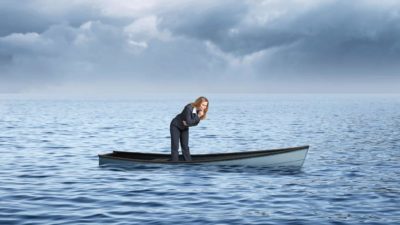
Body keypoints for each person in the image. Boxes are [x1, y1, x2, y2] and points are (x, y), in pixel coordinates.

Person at [170, 96, 209, 161]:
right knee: (175, 146)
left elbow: (194, 123)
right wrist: (197, 117)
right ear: (198, 103)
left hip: (185, 127)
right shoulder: (188, 108)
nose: (204, 107)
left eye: (205, 106)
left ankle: (188, 162)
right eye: (203, 105)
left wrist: (191, 122)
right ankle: (175, 162)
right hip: (175, 126)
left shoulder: (199, 111)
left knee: (185, 147)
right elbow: (189, 122)